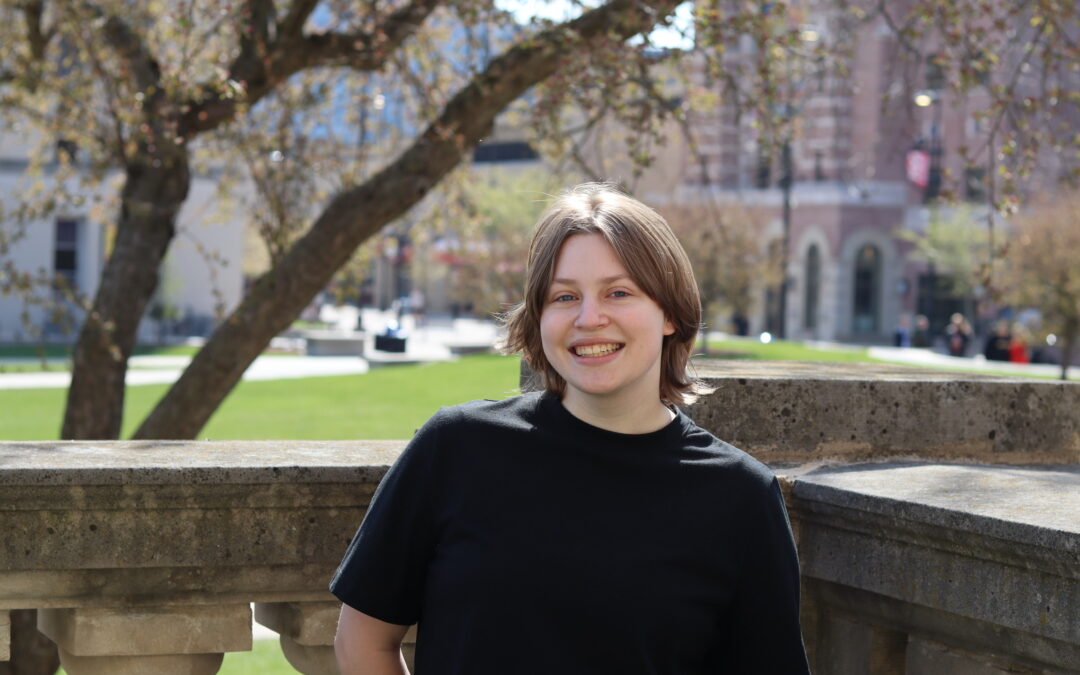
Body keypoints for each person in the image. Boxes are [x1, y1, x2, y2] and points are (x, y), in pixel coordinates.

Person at [330, 183, 810, 674]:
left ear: (669, 312)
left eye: (618, 292)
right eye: (564, 296)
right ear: (539, 315)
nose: (589, 318)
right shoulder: (455, 448)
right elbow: (362, 639)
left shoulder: (740, 497)